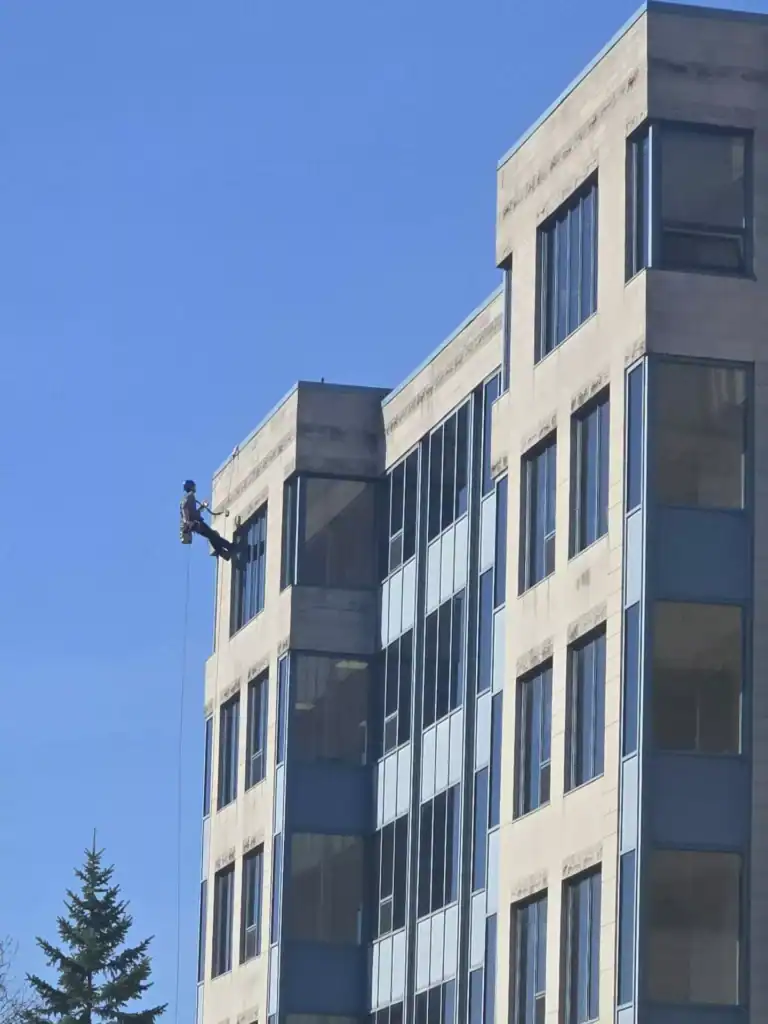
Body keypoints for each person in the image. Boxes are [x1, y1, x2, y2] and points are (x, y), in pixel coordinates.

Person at [180, 480, 233, 560]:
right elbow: (185, 509)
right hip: (197, 524)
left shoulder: (189, 497)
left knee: (212, 536)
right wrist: (187, 522)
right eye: (194, 486)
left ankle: (224, 553)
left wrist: (202, 507)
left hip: (195, 524)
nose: (195, 488)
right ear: (191, 487)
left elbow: (193, 513)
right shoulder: (189, 496)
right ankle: (228, 547)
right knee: (213, 535)